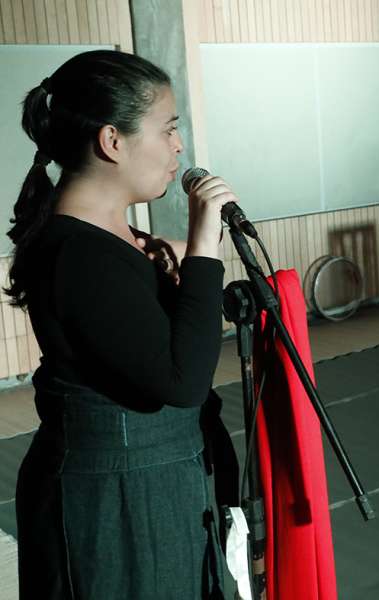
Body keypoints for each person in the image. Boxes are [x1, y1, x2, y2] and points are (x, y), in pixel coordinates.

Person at [7, 50, 237, 599]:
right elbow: (181, 381)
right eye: (168, 129)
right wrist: (204, 247)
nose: (179, 147)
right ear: (113, 141)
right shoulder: (80, 255)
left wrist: (186, 262)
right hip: (118, 498)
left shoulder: (117, 243)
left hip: (152, 483)